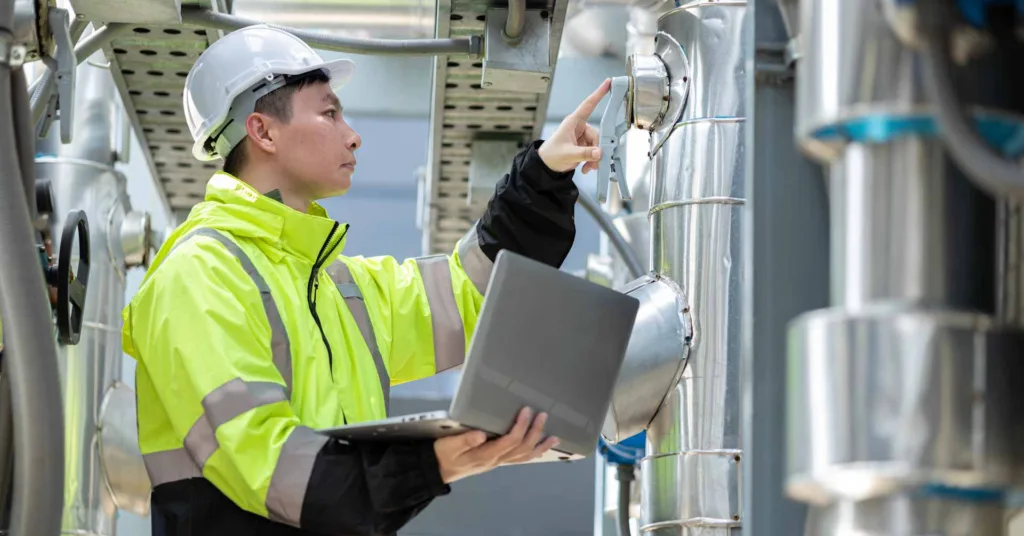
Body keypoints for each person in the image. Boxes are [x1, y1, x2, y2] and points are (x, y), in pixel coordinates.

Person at [121, 23, 611, 536]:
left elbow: (474, 292)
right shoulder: (199, 275)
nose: (353, 134)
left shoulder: (334, 286)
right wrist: (432, 464)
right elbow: (270, 467)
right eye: (329, 112)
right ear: (263, 131)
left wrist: (544, 174)